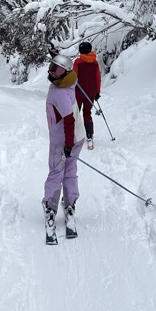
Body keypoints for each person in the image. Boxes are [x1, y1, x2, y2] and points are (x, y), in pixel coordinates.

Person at [43, 52, 84, 244]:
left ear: (65, 72)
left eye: (57, 70)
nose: (52, 72)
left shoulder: (58, 92)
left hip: (64, 139)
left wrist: (67, 145)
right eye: (52, 67)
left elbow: (68, 120)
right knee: (70, 171)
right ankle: (69, 204)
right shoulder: (69, 82)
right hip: (78, 136)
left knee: (56, 173)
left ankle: (51, 208)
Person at [72, 41, 101, 150]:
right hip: (91, 93)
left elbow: (73, 78)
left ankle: (72, 135)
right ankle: (89, 136)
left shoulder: (78, 62)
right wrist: (97, 92)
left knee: (75, 113)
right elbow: (97, 78)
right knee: (87, 114)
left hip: (78, 92)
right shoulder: (95, 63)